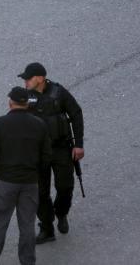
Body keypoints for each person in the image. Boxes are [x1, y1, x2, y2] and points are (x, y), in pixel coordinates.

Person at [0, 87, 51, 265]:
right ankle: (27, 261)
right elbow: (46, 157)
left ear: (10, 102)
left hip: (5, 181)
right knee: (27, 225)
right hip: (29, 182)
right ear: (27, 103)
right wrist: (35, 174)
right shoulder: (39, 125)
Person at [20, 62, 84, 244]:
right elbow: (17, 121)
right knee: (40, 192)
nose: (25, 82)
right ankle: (46, 228)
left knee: (65, 187)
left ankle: (61, 213)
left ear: (40, 78)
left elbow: (76, 114)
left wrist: (78, 145)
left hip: (61, 148)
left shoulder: (59, 93)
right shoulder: (25, 97)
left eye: (28, 78)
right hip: (37, 153)